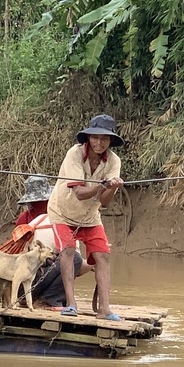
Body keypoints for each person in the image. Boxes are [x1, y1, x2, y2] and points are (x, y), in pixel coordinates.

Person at [47, 114, 125, 321]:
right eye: (95, 138)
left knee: (103, 256)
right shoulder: (74, 153)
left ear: (110, 141)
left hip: (90, 216)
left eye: (105, 139)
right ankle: (71, 304)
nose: (99, 143)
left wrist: (113, 187)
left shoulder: (114, 161)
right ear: (88, 138)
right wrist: (102, 185)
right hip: (62, 211)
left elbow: (106, 202)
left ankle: (105, 309)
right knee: (68, 251)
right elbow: (80, 193)